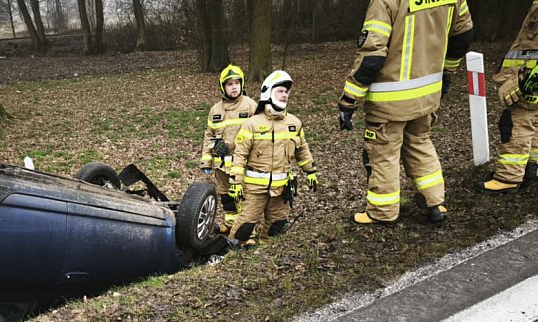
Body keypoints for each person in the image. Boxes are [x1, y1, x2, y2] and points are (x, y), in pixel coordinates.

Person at [337, 0, 473, 224]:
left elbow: (371, 54)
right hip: (428, 93)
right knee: (420, 142)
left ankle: (383, 212)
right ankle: (435, 202)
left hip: (390, 99)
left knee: (383, 153)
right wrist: (447, 71)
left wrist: (350, 99)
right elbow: (463, 35)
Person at [227, 70, 317, 247]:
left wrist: (311, 171)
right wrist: (235, 182)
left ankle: (265, 254)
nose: (284, 95)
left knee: (276, 227)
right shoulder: (252, 124)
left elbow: (302, 150)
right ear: (268, 92)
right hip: (254, 189)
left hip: (281, 189)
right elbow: (240, 155)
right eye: (280, 91)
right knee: (243, 229)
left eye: (286, 92)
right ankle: (233, 256)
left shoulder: (294, 123)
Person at [476, 2, 538, 193]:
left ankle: (508, 177)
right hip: (526, 73)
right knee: (532, 122)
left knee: (514, 123)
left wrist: (532, 77)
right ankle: (532, 167)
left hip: (529, 77)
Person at [199, 64, 258, 234]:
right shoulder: (215, 110)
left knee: (242, 196)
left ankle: (247, 231)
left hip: (242, 164)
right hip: (221, 165)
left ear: (242, 84)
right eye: (230, 84)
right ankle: (230, 223)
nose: (234, 87)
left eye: (237, 83)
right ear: (223, 87)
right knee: (226, 196)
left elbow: (260, 133)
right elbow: (208, 135)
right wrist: (207, 160)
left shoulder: (250, 106)